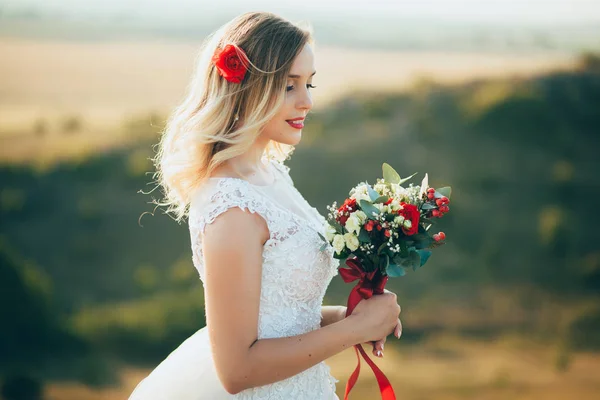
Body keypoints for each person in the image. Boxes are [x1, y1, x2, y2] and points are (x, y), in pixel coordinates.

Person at [129, 11, 402, 400]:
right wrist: (354, 331)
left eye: (309, 83)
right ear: (246, 89)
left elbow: (281, 317)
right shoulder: (231, 208)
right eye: (289, 86)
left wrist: (349, 317)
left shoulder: (269, 174)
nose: (306, 101)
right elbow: (238, 369)